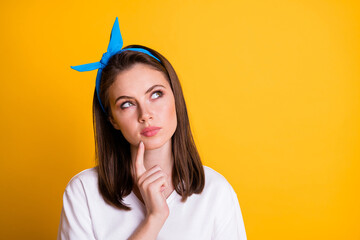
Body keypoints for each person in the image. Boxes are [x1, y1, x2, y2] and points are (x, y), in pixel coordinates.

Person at [57, 17, 247, 240]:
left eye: (156, 94)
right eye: (126, 104)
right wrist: (154, 218)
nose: (145, 114)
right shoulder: (84, 192)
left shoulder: (216, 192)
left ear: (176, 98)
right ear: (112, 120)